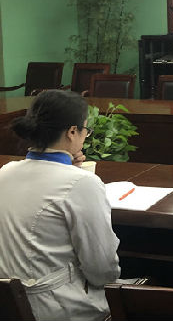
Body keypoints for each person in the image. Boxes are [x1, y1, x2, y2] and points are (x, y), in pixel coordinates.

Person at [0, 90, 121, 321]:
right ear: (72, 131)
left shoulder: (6, 172)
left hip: (8, 305)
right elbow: (102, 270)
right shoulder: (82, 183)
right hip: (60, 308)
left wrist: (69, 169)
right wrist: (73, 175)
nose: (85, 136)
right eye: (85, 130)